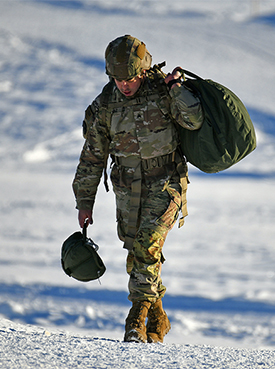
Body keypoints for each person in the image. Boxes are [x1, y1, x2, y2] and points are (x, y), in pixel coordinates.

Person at [72, 35, 203, 343]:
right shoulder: (105, 106)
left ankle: (136, 321)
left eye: (130, 78)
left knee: (146, 245)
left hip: (167, 184)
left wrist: (177, 91)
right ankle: (159, 318)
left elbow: (194, 121)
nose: (125, 85)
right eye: (118, 79)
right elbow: (93, 156)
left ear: (142, 71)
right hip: (127, 190)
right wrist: (84, 201)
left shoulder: (164, 91)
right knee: (139, 254)